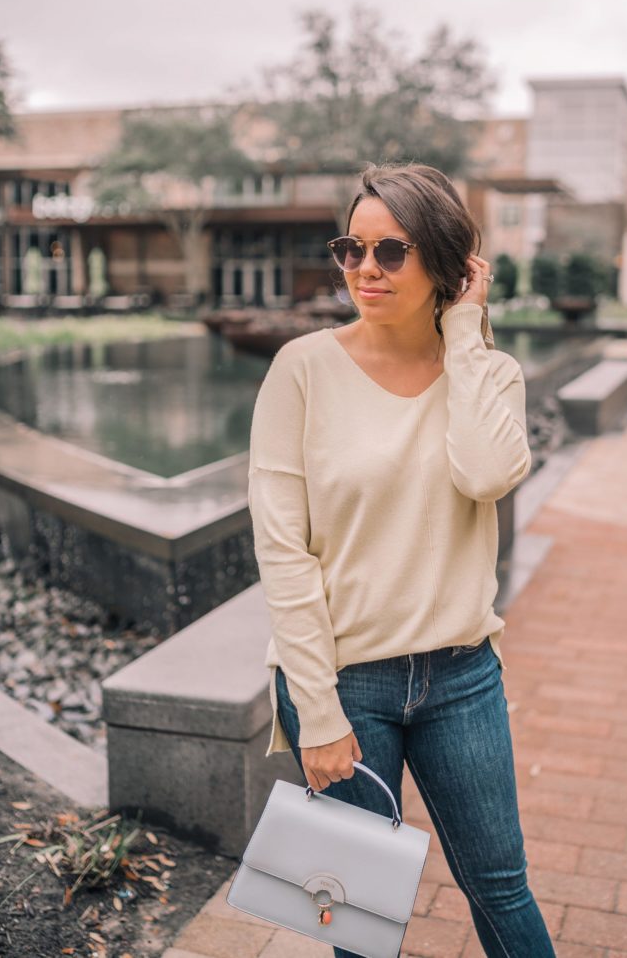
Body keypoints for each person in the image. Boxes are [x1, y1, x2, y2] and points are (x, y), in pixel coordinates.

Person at [247, 162, 557, 958]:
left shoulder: (488, 375)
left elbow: (488, 474)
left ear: (448, 265)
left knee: (502, 888)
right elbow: (284, 553)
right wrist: (315, 711)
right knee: (356, 918)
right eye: (352, 249)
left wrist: (465, 334)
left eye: (393, 253)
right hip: (345, 682)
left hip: (461, 676)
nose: (365, 270)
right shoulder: (303, 369)